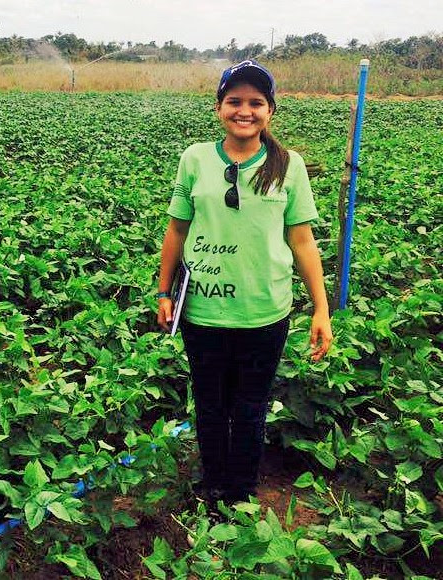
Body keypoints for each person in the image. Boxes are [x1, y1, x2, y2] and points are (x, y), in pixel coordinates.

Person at [156, 60, 333, 507]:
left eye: (256, 102)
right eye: (235, 101)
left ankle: (240, 493)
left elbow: (303, 241)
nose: (244, 110)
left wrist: (321, 308)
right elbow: (176, 230)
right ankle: (212, 485)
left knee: (250, 409)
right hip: (202, 310)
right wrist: (163, 293)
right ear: (218, 107)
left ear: (270, 110)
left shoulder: (288, 166)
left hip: (265, 312)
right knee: (211, 405)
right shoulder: (195, 159)